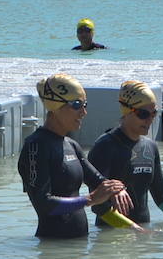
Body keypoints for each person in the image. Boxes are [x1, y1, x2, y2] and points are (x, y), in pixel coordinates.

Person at [17, 74, 140, 239]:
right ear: (56, 106)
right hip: (52, 248)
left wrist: (116, 188)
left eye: (85, 105)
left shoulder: (71, 145)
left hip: (77, 250)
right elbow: (43, 203)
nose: (84, 112)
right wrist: (89, 199)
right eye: (77, 105)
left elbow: (97, 179)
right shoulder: (37, 145)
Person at [87, 81, 163, 227]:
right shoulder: (105, 147)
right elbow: (98, 206)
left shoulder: (150, 147)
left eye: (154, 114)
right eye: (143, 114)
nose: (150, 120)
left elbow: (162, 197)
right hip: (112, 236)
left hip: (142, 235)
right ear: (126, 111)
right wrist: (132, 229)